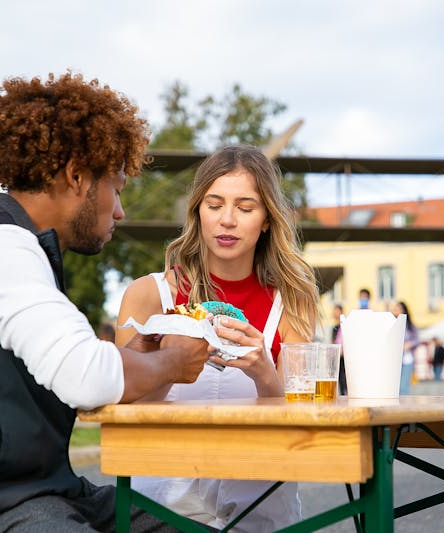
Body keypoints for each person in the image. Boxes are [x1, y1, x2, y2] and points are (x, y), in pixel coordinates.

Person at [0, 72, 213, 533]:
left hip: (35, 495)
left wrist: (135, 357)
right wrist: (175, 362)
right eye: (116, 188)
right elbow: (87, 378)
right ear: (76, 176)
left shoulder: (22, 249)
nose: (120, 210)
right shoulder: (0, 247)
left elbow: (70, 367)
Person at [116, 145, 320, 532]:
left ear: (266, 220)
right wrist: (167, 362)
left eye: (245, 208)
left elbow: (301, 424)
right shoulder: (147, 295)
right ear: (197, 212)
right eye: (214, 205)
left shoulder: (292, 302)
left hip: (261, 505)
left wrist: (264, 372)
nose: (227, 220)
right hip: (164, 505)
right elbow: (122, 416)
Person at [392, 300, 419, 395]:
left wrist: (409, 344)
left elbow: (417, 340)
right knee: (394, 387)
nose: (396, 310)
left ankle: (403, 404)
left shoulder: (410, 326)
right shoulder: (391, 323)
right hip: (394, 360)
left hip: (407, 359)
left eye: (398, 308)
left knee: (403, 387)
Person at [331, 303, 347, 395]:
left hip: (344, 357)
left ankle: (345, 394)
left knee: (344, 378)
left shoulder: (345, 326)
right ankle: (342, 394)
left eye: (337, 311)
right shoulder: (335, 328)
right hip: (338, 357)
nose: (335, 313)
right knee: (339, 378)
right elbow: (333, 341)